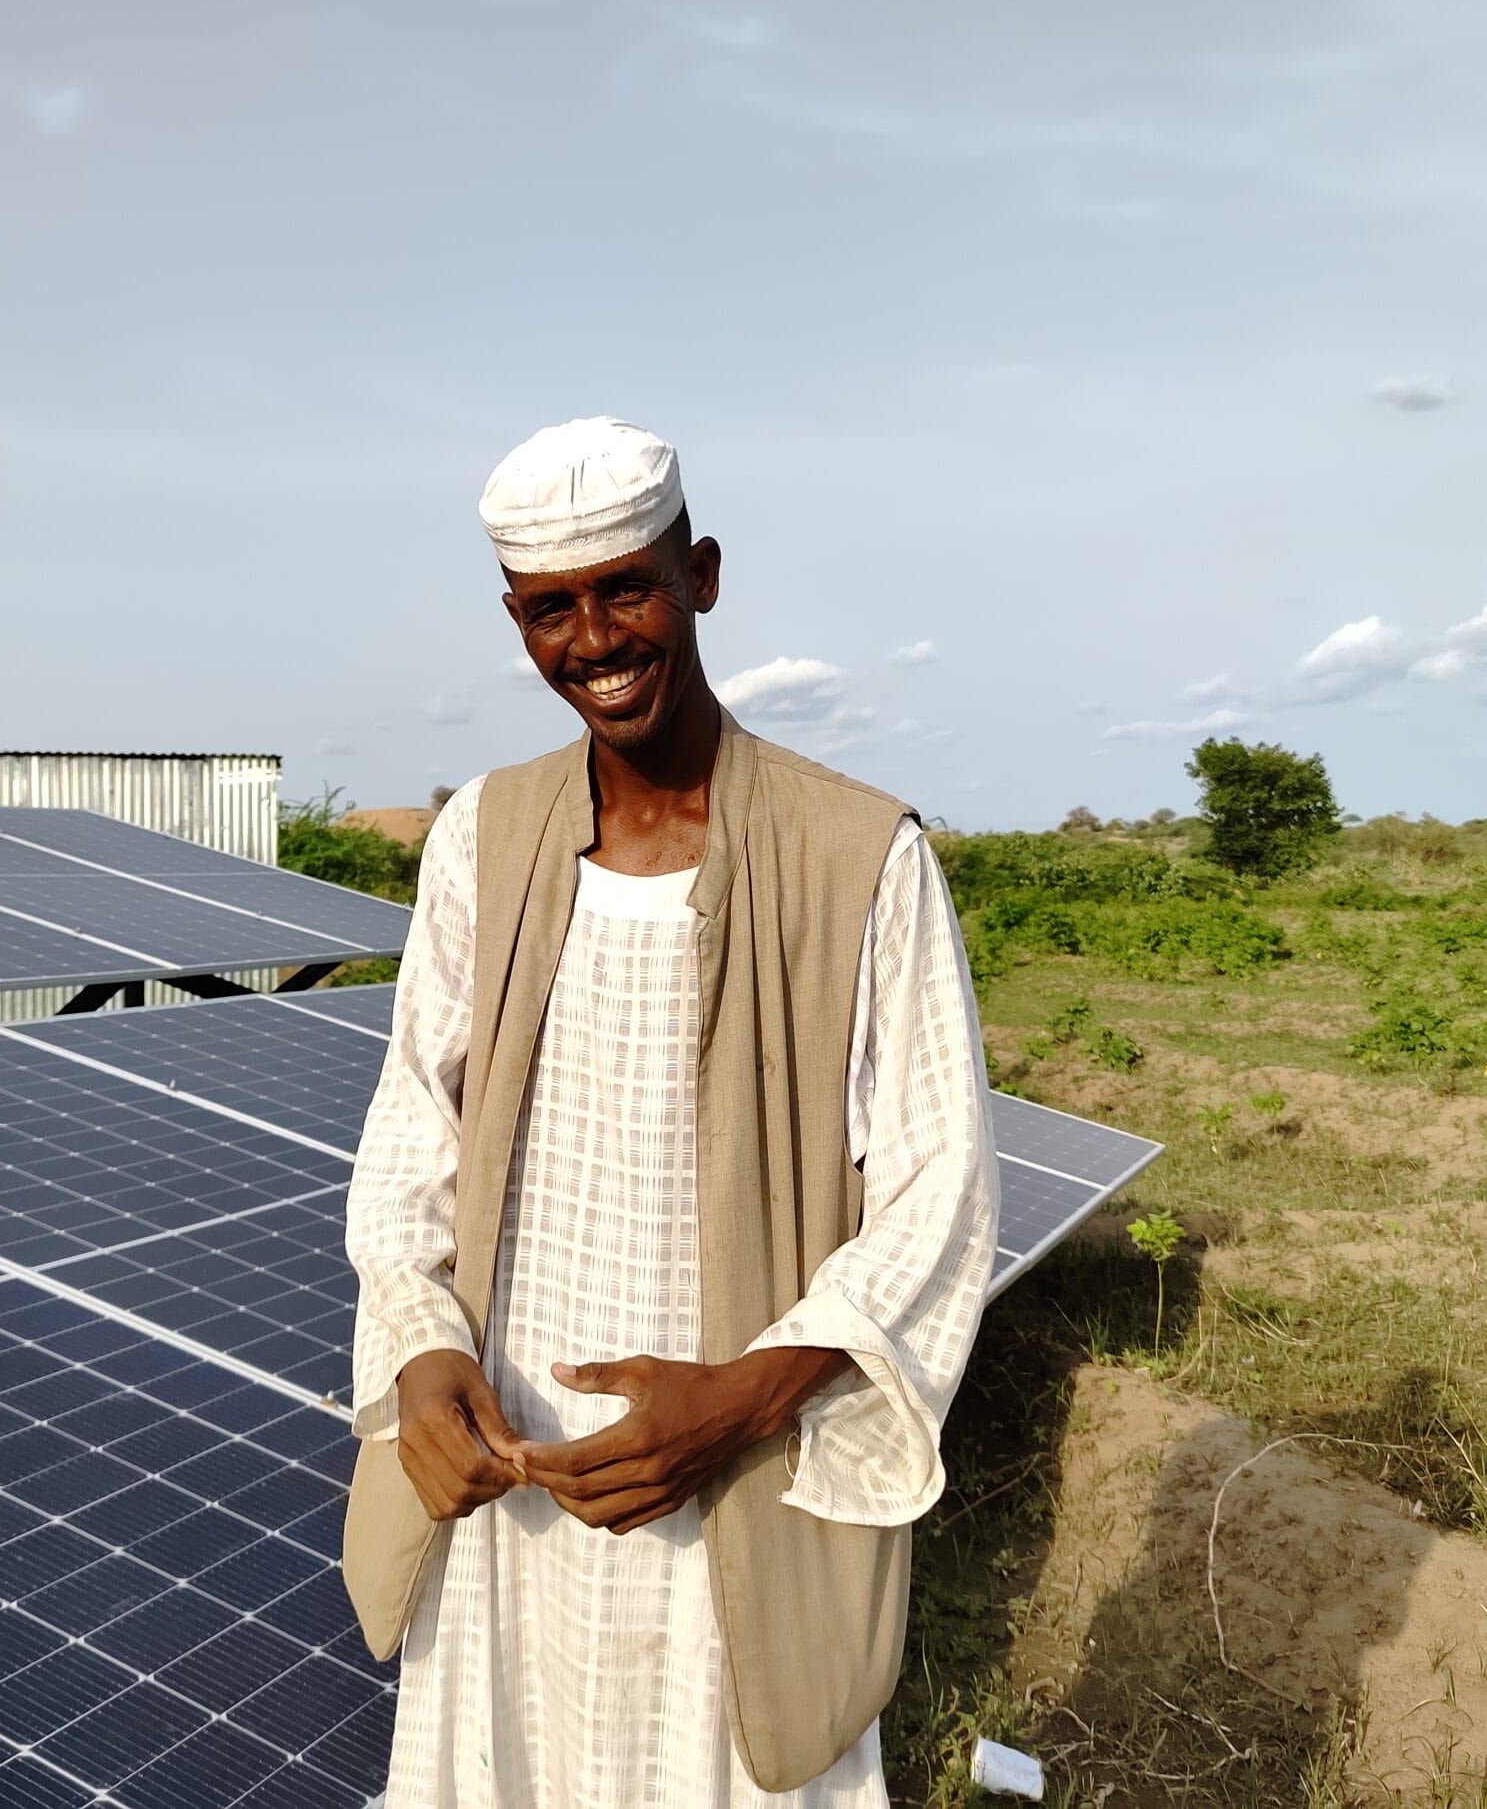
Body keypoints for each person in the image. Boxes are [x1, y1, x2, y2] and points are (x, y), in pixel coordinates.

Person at [342, 417, 1000, 1807]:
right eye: (550, 610)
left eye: (627, 589)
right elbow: (414, 1136)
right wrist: (417, 1356)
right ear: (516, 620)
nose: (596, 640)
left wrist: (738, 1405)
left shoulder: (861, 856)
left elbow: (937, 1201)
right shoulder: (483, 838)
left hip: (730, 1496)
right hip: (510, 1495)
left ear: (701, 575)